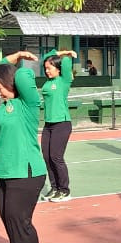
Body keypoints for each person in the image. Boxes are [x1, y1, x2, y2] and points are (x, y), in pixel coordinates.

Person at [0, 50, 49, 243]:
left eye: (1, 88)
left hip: (26, 171)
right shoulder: (8, 104)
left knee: (20, 220)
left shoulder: (27, 105)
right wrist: (12, 56)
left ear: (11, 83)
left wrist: (22, 59)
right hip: (8, 171)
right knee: (8, 218)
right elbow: (2, 67)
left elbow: (22, 75)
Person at [40, 48, 78, 202]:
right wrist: (57, 53)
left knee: (56, 157)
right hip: (48, 124)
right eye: (46, 68)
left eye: (50, 68)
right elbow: (46, 57)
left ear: (58, 68)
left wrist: (65, 54)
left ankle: (65, 190)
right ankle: (54, 187)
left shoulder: (64, 80)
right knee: (47, 157)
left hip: (61, 123)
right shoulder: (48, 82)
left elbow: (67, 62)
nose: (47, 71)